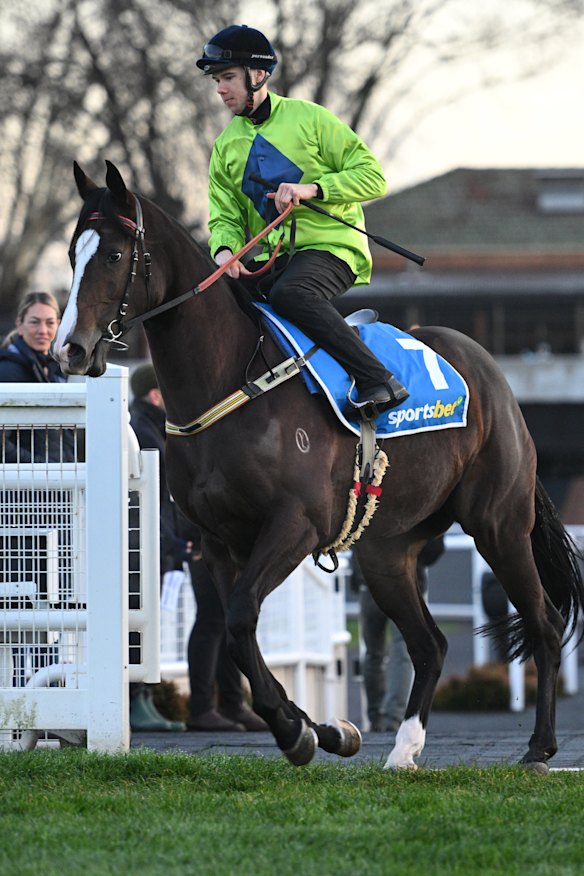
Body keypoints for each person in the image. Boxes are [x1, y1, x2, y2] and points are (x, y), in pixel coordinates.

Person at [196, 24, 409, 418]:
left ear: (257, 75)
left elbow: (372, 176)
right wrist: (225, 249)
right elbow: (223, 215)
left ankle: (378, 380)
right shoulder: (225, 148)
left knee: (290, 295)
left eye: (227, 78)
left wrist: (313, 189)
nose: (220, 89)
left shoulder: (310, 119)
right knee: (217, 304)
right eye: (217, 81)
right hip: (277, 258)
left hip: (332, 249)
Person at [129, 363, 190, 732]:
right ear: (155, 394)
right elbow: (150, 500)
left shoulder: (152, 427)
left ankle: (146, 696)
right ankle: (136, 698)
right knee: (137, 619)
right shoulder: (144, 430)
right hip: (144, 541)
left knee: (146, 620)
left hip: (156, 538)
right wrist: (174, 542)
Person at [182, 523, 269, 732]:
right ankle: (202, 708)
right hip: (204, 538)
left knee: (226, 620)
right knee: (211, 619)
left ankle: (232, 703)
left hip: (221, 538)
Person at [356, 536, 445, 732]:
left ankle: (375, 718)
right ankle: (393, 719)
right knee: (402, 653)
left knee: (373, 654)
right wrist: (414, 561)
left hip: (369, 585)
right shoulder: (415, 508)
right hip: (408, 586)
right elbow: (435, 547)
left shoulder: (369, 505)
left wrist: (359, 577)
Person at [0, 291, 75, 462]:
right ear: (20, 325)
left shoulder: (57, 369)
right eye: (34, 322)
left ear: (59, 325)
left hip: (61, 483)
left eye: (50, 323)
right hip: (24, 485)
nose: (43, 330)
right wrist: (42, 469)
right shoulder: (7, 371)